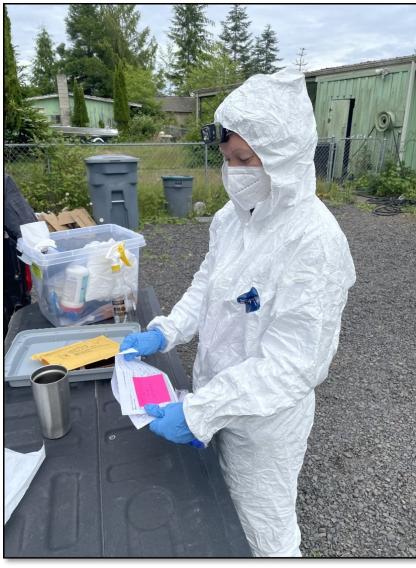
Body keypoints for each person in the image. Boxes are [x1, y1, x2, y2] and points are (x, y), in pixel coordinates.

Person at [120, 69, 356, 557]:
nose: (235, 172)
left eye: (246, 159)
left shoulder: (316, 242)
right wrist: (165, 332)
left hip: (264, 423)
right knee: (214, 512)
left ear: (285, 155)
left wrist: (201, 411)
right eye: (229, 159)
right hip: (213, 391)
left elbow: (292, 366)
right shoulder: (232, 218)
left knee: (262, 529)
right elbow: (207, 285)